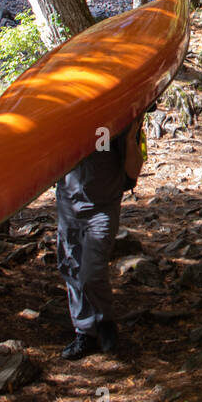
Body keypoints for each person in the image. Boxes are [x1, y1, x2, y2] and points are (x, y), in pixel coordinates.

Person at [56, 115, 147, 361]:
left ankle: (105, 322)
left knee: (91, 271)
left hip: (102, 208)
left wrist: (129, 139)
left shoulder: (121, 117)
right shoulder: (66, 115)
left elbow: (134, 170)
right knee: (71, 268)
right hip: (69, 204)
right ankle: (84, 332)